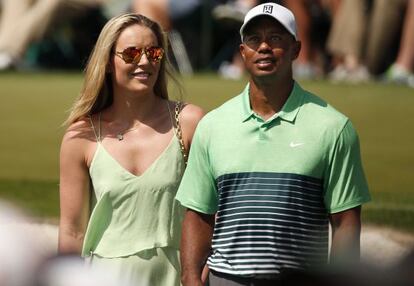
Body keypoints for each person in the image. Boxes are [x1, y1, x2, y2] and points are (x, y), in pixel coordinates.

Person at [176, 2, 370, 285]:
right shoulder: (213, 126)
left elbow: (345, 224)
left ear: (296, 50)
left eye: (276, 38)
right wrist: (191, 279)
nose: (264, 47)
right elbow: (198, 214)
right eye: (254, 39)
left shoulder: (334, 127)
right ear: (243, 52)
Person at [58, 13, 203, 285]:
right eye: (132, 53)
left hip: (175, 276)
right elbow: (71, 232)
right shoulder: (81, 136)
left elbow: (214, 212)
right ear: (108, 62)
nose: (145, 62)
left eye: (155, 52)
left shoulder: (190, 123)